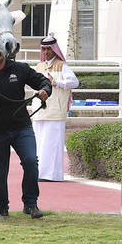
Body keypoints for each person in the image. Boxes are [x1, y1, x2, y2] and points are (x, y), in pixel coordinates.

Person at [0, 49, 52, 218]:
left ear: (4, 50)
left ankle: (31, 204)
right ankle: (1, 207)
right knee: (0, 172)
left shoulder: (20, 68)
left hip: (21, 127)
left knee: (31, 161)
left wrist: (45, 90)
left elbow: (42, 81)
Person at [33, 34, 79, 181]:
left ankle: (52, 175)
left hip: (56, 111)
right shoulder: (39, 66)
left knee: (52, 144)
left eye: (48, 49)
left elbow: (74, 82)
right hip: (39, 111)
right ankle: (38, 173)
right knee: (38, 143)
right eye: (44, 49)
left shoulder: (62, 65)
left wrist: (56, 81)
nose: (46, 52)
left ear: (54, 50)